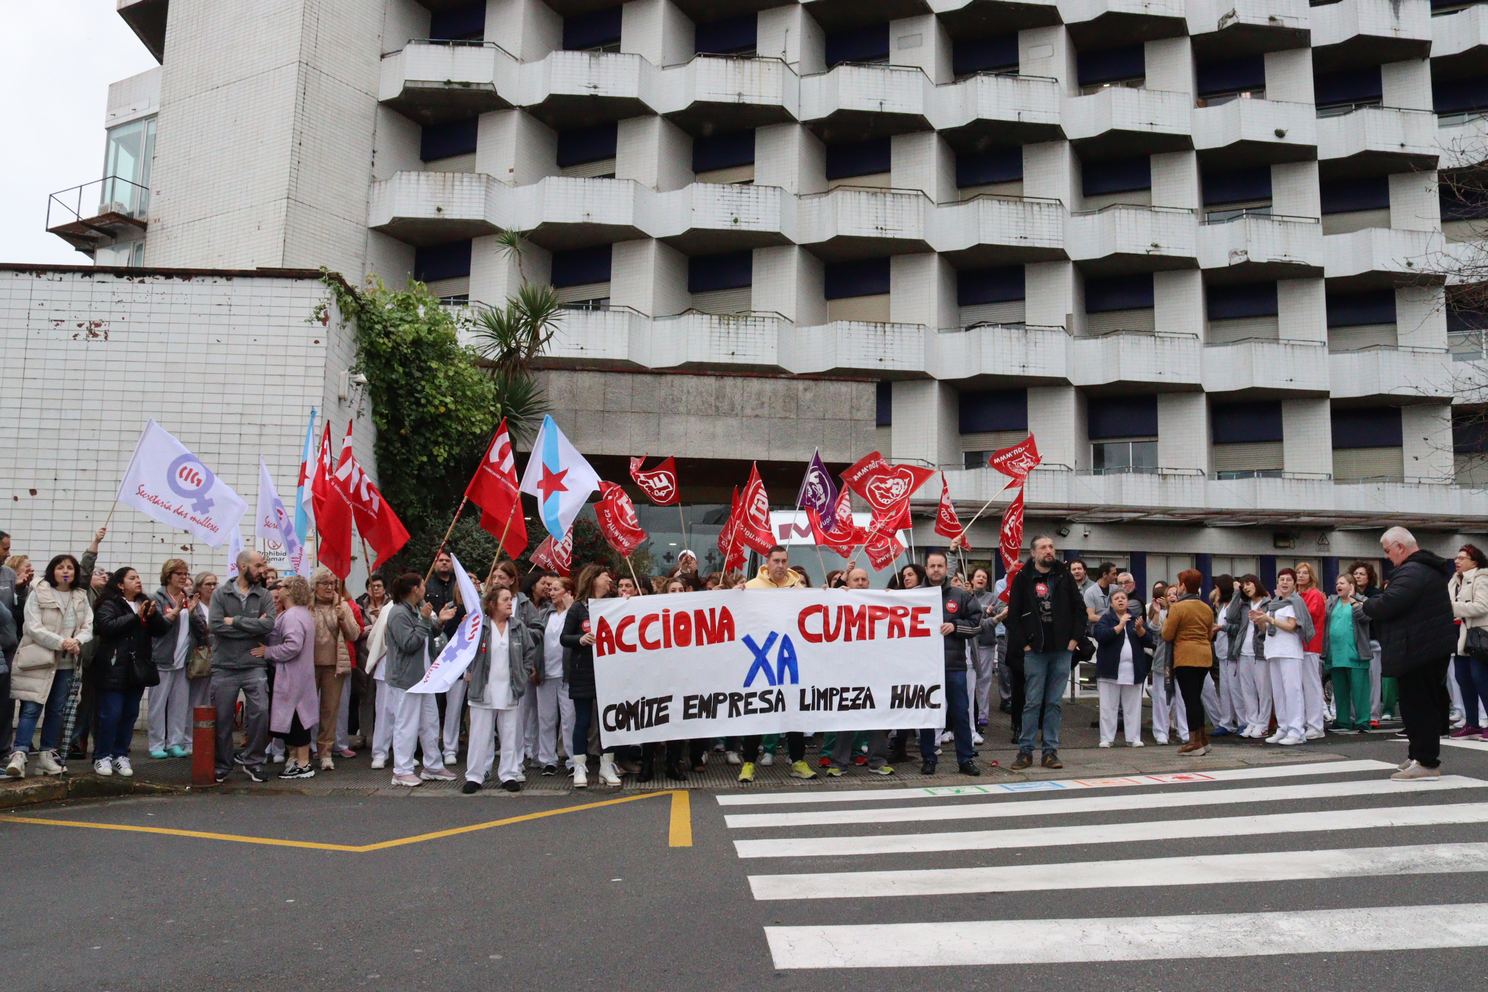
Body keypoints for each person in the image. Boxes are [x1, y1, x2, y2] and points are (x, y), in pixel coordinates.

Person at [1364, 528, 1457, 780]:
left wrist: (1366, 603)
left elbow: (1390, 602)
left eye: (1387, 551)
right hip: (1423, 647)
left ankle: (1426, 761)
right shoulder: (1423, 569)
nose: (1387, 556)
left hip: (1420, 648)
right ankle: (1418, 754)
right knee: (1414, 704)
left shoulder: (1413, 570)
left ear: (1400, 547)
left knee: (1419, 705)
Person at [6, 554, 93, 778]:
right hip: (40, 660)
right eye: (60, 567)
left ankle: (47, 756)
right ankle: (19, 755)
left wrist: (77, 640)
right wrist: (61, 642)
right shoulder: (40, 591)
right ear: (52, 570)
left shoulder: (80, 595)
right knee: (31, 707)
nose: (65, 571)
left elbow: (88, 626)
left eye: (70, 568)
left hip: (66, 663)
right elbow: (32, 626)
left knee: (57, 710)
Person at [1005, 535, 1087, 770]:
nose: (1049, 550)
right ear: (1033, 553)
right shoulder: (1023, 578)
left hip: (1062, 650)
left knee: (1054, 703)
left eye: (1051, 546)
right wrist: (1025, 644)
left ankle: (1050, 752)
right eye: (1043, 547)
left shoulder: (1063, 575)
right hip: (1035, 651)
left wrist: (1074, 640)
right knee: (1032, 702)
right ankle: (1025, 751)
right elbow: (1013, 616)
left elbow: (1079, 610)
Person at [737, 546, 813, 783]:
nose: (780, 565)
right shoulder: (751, 587)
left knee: (793, 711)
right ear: (767, 562)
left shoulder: (798, 588)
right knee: (757, 709)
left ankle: (798, 761)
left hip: (790, 659)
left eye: (784, 561)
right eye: (776, 561)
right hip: (761, 657)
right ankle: (749, 763)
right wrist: (730, 594)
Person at [208, 550, 277, 784]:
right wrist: (252, 627)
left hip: (253, 665)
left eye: (263, 565)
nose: (262, 570)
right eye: (258, 565)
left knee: (261, 712)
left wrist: (235, 621)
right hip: (224, 666)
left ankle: (253, 761)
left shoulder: (264, 595)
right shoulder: (221, 594)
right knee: (222, 718)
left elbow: (268, 625)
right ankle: (222, 764)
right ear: (242, 566)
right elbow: (215, 626)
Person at [383, 572, 457, 787]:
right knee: (406, 725)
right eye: (422, 585)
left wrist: (438, 621)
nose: (425, 588)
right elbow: (409, 643)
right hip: (406, 680)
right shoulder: (398, 613)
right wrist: (425, 620)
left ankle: (433, 765)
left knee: (430, 723)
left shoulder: (416, 609)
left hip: (424, 678)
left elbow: (427, 634)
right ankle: (402, 770)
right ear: (415, 589)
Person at [463, 585, 537, 793]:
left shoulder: (518, 627)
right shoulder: (480, 626)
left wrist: (524, 673)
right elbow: (465, 649)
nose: (509, 603)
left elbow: (529, 651)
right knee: (479, 735)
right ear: (492, 604)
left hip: (509, 688)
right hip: (483, 688)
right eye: (504, 599)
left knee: (509, 734)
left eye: (510, 599)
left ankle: (509, 774)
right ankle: (474, 776)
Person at [90, 566, 158, 777]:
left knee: (130, 714)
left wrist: (159, 617)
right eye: (132, 578)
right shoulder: (109, 603)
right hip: (113, 666)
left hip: (137, 668)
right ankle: (102, 755)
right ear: (120, 584)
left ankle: (120, 754)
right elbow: (107, 626)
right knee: (111, 714)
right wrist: (136, 616)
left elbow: (161, 630)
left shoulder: (144, 603)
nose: (138, 581)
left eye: (138, 577)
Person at [919, 551, 982, 776]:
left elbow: (976, 624)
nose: (936, 570)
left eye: (940, 566)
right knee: (927, 715)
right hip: (926, 667)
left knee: (960, 713)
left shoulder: (960, 595)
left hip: (954, 665)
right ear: (926, 569)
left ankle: (965, 759)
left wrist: (956, 627)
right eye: (932, 566)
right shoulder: (914, 596)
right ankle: (928, 758)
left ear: (946, 568)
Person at [562, 564, 620, 788]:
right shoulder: (577, 608)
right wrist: (580, 639)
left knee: (609, 721)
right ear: (593, 579)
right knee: (583, 720)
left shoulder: (613, 605)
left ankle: (607, 766)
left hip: (608, 671)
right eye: (606, 577)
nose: (609, 581)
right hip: (583, 671)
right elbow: (564, 638)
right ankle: (579, 766)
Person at [256, 575, 317, 779]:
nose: (278, 589)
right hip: (301, 674)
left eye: (282, 586)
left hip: (292, 675)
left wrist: (268, 651)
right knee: (300, 717)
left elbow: (293, 646)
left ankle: (303, 764)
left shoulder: (292, 616)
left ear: (290, 591)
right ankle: (301, 762)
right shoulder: (303, 613)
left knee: (297, 719)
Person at [147, 559, 201, 758]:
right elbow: (156, 628)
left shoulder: (188, 598)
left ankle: (175, 743)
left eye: (186, 573)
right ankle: (156, 744)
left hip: (183, 661)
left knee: (180, 705)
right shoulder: (157, 598)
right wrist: (175, 612)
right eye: (179, 573)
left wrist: (193, 613)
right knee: (158, 705)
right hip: (163, 659)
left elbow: (199, 629)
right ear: (168, 576)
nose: (183, 577)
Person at [308, 567, 359, 771]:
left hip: (334, 666)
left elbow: (354, 634)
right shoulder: (306, 605)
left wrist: (343, 618)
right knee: (306, 710)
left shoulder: (342, 605)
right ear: (315, 586)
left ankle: (325, 752)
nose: (330, 587)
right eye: (325, 583)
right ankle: (302, 750)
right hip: (308, 666)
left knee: (329, 711)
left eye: (332, 583)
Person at [1164, 569, 1217, 756]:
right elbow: (1209, 633)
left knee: (1190, 700)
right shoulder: (1206, 607)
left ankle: (1194, 742)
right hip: (1204, 655)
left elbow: (1167, 634)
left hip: (1185, 656)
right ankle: (1202, 738)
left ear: (1183, 586)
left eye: (1179, 584)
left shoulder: (1178, 608)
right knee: (1197, 698)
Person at [1255, 568, 1310, 746]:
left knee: (1292, 692)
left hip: (1290, 651)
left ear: (1294, 584)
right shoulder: (1274, 603)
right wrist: (1260, 621)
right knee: (1278, 693)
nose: (1284, 583)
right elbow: (1266, 629)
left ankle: (1296, 731)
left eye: (1288, 580)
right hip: (1273, 650)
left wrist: (1270, 620)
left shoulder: (1295, 602)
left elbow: (1291, 626)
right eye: (1281, 580)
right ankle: (1283, 728)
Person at [1093, 589, 1151, 747]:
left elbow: (1149, 640)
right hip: (1109, 670)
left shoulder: (1135, 619)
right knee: (1108, 706)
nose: (1120, 600)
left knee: (1133, 707)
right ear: (1111, 604)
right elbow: (1101, 636)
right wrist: (1120, 626)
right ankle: (1107, 738)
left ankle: (1133, 738)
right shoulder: (1106, 618)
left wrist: (1140, 630)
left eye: (1123, 598)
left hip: (1133, 670)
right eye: (1117, 598)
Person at [534, 576, 577, 776]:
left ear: (568, 592)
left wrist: (571, 608)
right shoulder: (544, 614)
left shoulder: (575, 613)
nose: (551, 593)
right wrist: (535, 667)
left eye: (556, 589)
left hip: (567, 673)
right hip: (546, 673)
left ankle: (572, 759)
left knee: (569, 719)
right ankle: (547, 759)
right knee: (546, 718)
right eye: (550, 589)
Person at [1323, 573, 1373, 733]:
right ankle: (1343, 720)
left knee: (1360, 690)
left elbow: (1365, 618)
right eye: (1337, 583)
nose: (1338, 586)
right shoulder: (1332, 602)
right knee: (1340, 690)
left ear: (1351, 586)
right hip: (1336, 653)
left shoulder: (1363, 601)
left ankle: (1363, 721)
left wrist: (1353, 600)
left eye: (1342, 583)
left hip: (1356, 653)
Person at [1226, 574, 1273, 739]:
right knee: (1247, 690)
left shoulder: (1268, 603)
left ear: (1256, 584)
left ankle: (1263, 724)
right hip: (1243, 651)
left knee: (1263, 690)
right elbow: (1230, 617)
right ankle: (1251, 721)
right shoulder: (1244, 604)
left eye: (1248, 583)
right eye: (1243, 585)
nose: (1246, 587)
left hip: (1260, 651)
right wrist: (1236, 594)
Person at [1450, 545, 1488, 739]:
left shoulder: (1482, 578)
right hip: (1460, 636)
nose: (1457, 561)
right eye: (1456, 558)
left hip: (1479, 636)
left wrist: (1452, 607)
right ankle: (1471, 723)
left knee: (1480, 678)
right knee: (1462, 677)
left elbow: (1482, 606)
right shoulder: (1454, 580)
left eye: (1462, 558)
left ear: (1474, 561)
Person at [1351, 560, 1394, 725]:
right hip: (1355, 640)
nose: (1358, 576)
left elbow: (1374, 613)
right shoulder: (1348, 593)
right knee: (1356, 680)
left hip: (1373, 640)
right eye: (1355, 574)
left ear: (1369, 577)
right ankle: (1356, 714)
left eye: (1362, 574)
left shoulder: (1376, 594)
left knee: (1374, 679)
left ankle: (1374, 714)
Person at [967, 567, 1009, 727]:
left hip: (986, 644)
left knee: (984, 680)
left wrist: (993, 614)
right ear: (972, 579)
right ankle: (968, 713)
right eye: (978, 576)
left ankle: (982, 715)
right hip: (968, 645)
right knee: (968, 681)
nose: (981, 579)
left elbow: (1000, 614)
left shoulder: (992, 598)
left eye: (984, 577)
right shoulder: (966, 596)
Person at [1149, 585, 1189, 746]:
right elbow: (1155, 630)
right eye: (1169, 594)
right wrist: (1157, 612)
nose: (1172, 596)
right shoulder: (1161, 613)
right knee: (1161, 698)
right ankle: (1161, 732)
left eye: (1175, 594)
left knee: (1182, 698)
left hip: (1182, 659)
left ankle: (1184, 731)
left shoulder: (1184, 612)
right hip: (1163, 661)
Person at [1293, 561, 1328, 740]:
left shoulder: (1314, 595)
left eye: (1305, 573)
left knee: (1311, 685)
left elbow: (1308, 616)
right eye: (1298, 572)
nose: (1300, 575)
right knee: (1300, 687)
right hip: (1297, 645)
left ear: (1311, 576)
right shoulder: (1297, 594)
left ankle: (1316, 725)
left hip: (1310, 645)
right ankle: (1305, 722)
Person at [1205, 575, 1239, 736]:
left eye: (1218, 588)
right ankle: (1226, 722)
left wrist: (1221, 628)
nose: (1216, 590)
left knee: (1235, 688)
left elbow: (1237, 627)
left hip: (1231, 652)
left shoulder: (1234, 605)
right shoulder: (1222, 606)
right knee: (1225, 689)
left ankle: (1242, 721)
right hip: (1222, 652)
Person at [188, 573, 218, 712]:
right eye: (208, 584)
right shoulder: (194, 605)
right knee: (196, 697)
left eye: (214, 584)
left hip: (218, 656)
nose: (212, 587)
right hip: (200, 656)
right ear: (199, 587)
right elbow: (201, 630)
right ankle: (191, 725)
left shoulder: (219, 605)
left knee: (211, 697)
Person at [1083, 561, 1118, 626]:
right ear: (1104, 575)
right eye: (1113, 574)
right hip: (1098, 628)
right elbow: (1091, 617)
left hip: (1116, 627)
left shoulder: (1116, 589)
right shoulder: (1090, 592)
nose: (1116, 577)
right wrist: (1111, 620)